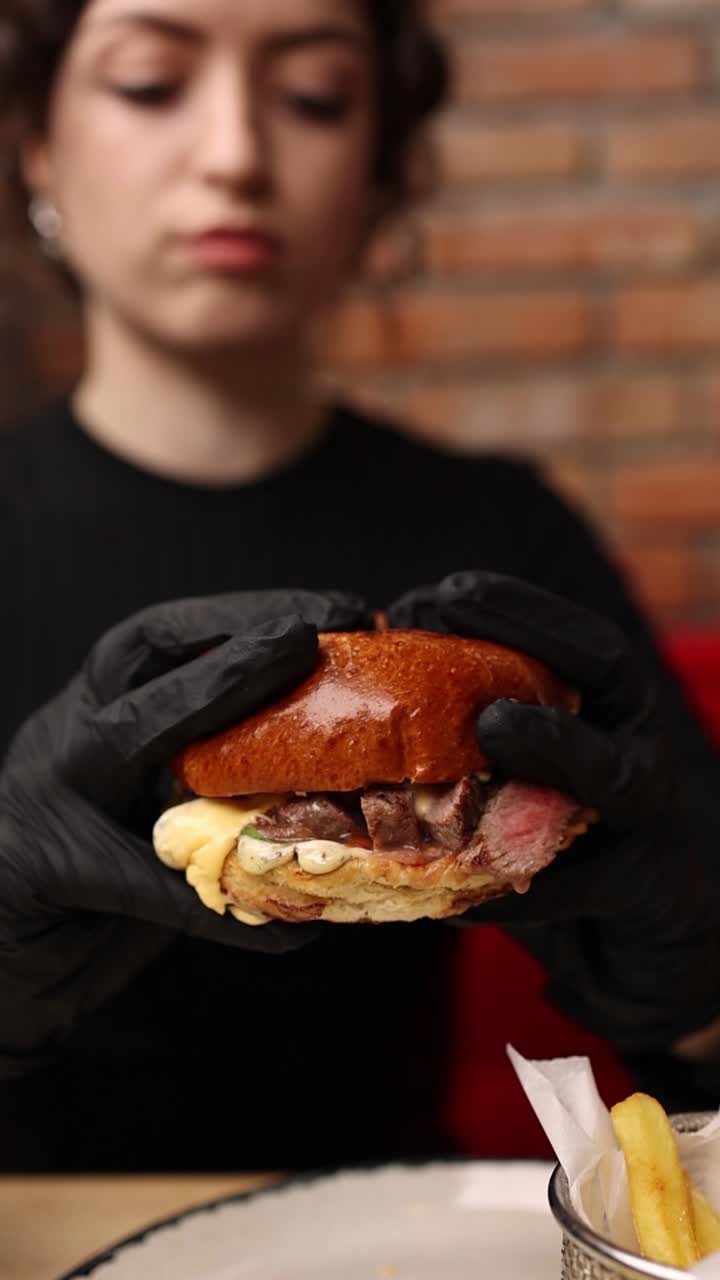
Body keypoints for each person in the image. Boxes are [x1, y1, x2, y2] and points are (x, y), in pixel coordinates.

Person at [0, 0, 719, 1175]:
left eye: (314, 98)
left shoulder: (504, 536)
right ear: (40, 149)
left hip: (395, 1221)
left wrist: (696, 991)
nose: (234, 154)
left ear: (377, 177)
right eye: (149, 83)